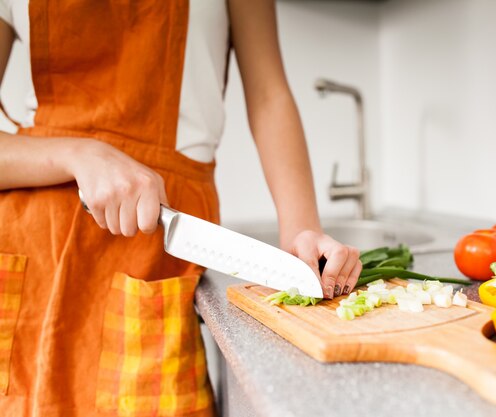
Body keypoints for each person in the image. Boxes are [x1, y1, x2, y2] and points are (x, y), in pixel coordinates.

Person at [0, 1, 362, 416]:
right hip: (27, 253)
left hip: (155, 252)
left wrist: (302, 230)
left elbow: (269, 95)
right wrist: (78, 154)